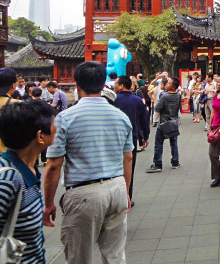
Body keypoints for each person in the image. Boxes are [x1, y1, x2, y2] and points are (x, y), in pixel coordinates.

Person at [43, 61, 133, 263]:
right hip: (116, 187)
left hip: (84, 192)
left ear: (77, 84)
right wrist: (125, 191)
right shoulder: (120, 117)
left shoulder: (64, 118)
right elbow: (128, 157)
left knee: (79, 256)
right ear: (103, 85)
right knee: (115, 255)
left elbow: (54, 164)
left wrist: (48, 202)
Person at [0, 100, 57, 263]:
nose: (57, 129)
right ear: (40, 136)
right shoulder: (8, 180)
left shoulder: (29, 170)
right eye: (54, 125)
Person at [114, 75, 150, 205]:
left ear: (122, 86)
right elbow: (144, 120)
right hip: (132, 137)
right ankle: (128, 196)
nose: (114, 85)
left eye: (116, 84)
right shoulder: (137, 100)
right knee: (129, 167)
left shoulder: (114, 100)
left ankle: (116, 197)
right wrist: (145, 136)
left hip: (115, 138)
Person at [146, 77, 182, 172]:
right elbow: (178, 107)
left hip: (164, 123)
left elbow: (157, 108)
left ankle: (157, 164)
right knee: (173, 143)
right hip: (174, 122)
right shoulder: (178, 95)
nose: (166, 84)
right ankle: (175, 162)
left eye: (169, 83)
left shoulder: (165, 96)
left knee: (158, 143)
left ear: (173, 86)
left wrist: (156, 118)